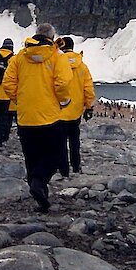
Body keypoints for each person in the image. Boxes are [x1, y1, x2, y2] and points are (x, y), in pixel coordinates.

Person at [3, 23, 72, 213]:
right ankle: (39, 182)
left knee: (32, 157)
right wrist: (64, 101)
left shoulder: (19, 58)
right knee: (55, 154)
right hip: (50, 116)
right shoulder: (58, 57)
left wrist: (20, 99)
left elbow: (8, 83)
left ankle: (41, 197)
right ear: (52, 36)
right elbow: (63, 82)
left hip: (25, 117)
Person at [56, 37, 96, 176]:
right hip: (76, 111)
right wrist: (89, 107)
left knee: (60, 141)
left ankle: (63, 169)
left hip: (59, 109)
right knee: (74, 139)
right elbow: (88, 88)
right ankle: (76, 165)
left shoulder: (56, 63)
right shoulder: (82, 66)